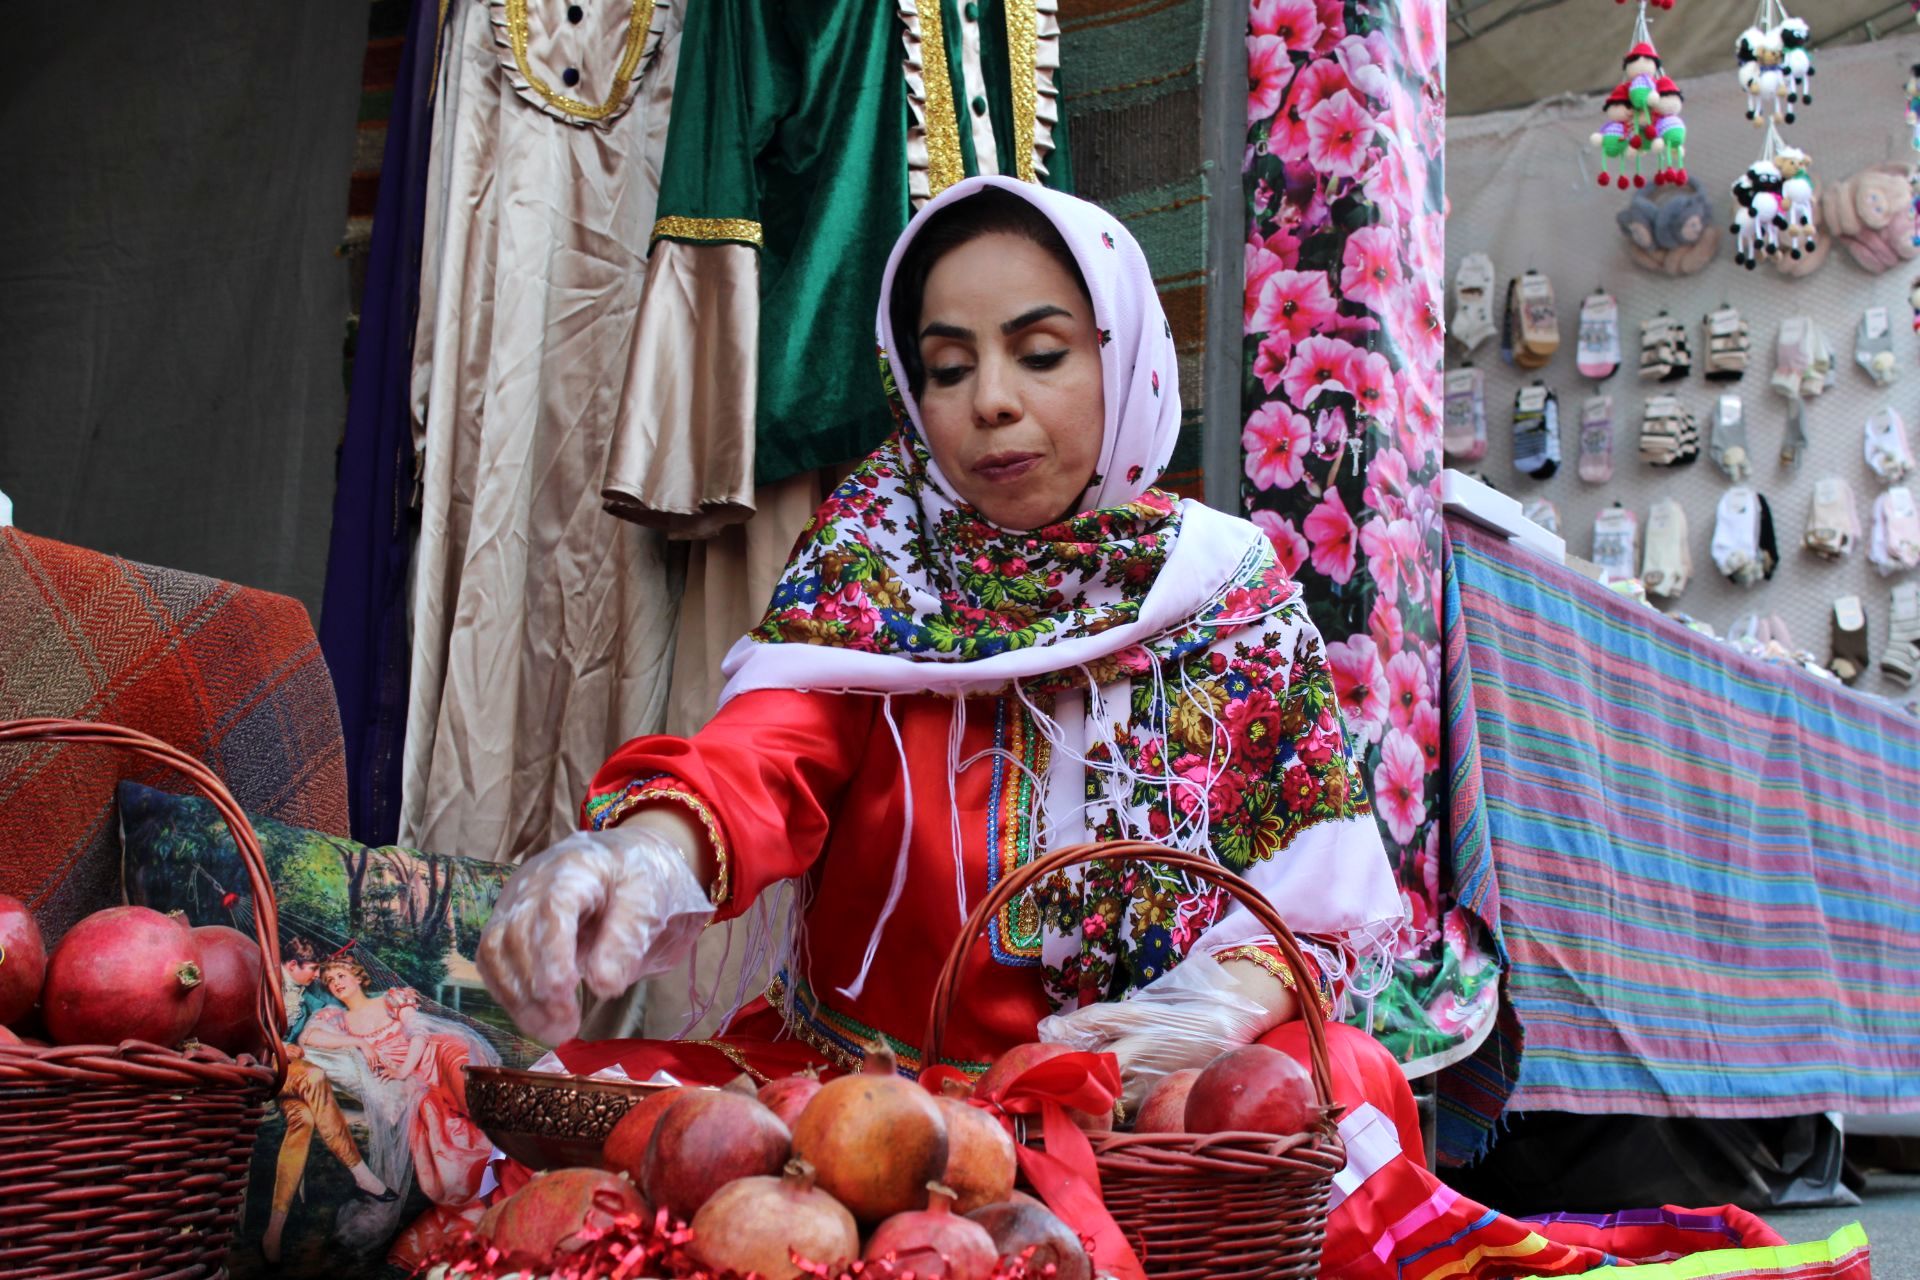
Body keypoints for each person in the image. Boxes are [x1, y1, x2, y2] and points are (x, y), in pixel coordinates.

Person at [479, 177, 1794, 1277]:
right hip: (878, 1103)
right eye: (947, 367)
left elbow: (1311, 895)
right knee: (586, 1107)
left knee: (1343, 1086)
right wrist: (640, 854)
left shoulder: (1222, 593)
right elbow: (763, 759)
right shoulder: (875, 568)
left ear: (1126, 358)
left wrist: (1214, 1004)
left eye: (1041, 353)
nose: (991, 400)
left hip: (1156, 1109)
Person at [297, 957, 500, 1210]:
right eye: (329, 981)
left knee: (459, 1068)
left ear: (358, 977)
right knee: (435, 1117)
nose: (336, 983)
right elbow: (308, 1038)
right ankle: (491, 1167)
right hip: (409, 1078)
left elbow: (419, 1032)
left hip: (430, 1055)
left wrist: (403, 1070)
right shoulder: (337, 1017)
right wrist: (360, 1043)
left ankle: (502, 1133)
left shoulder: (390, 999)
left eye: (341, 976)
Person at [264, 936, 395, 1265]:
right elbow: (240, 1024)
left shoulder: (308, 996)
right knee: (315, 1076)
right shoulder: (262, 981)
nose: (317, 976)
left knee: (304, 1121)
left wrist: (393, 999)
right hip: (256, 1064)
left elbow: (350, 1005)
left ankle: (273, 1231)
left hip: (284, 1073)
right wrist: (279, 1048)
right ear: (292, 965)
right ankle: (362, 1174)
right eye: (312, 970)